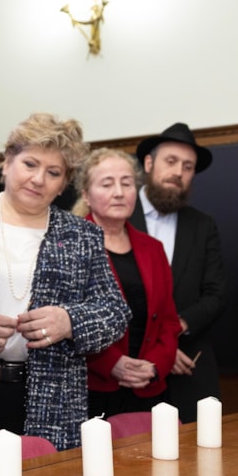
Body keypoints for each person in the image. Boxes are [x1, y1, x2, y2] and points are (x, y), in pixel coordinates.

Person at [0, 114, 129, 450]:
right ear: (6, 162)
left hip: (55, 397)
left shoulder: (82, 235)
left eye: (53, 172)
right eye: (29, 163)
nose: (39, 179)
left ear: (64, 182)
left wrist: (70, 321)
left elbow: (116, 312)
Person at [129, 122, 227, 422]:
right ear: (149, 163)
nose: (178, 172)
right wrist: (159, 349)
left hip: (191, 366)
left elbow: (216, 293)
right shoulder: (119, 216)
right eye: (170, 162)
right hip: (131, 370)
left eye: (188, 166)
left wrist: (169, 338)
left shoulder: (202, 224)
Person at [76, 148, 181, 416]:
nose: (119, 192)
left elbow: (169, 321)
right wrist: (111, 364)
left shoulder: (153, 248)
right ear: (86, 195)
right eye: (107, 184)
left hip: (149, 387)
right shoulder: (71, 245)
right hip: (94, 390)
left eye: (126, 183)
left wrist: (155, 365)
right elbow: (70, 320)